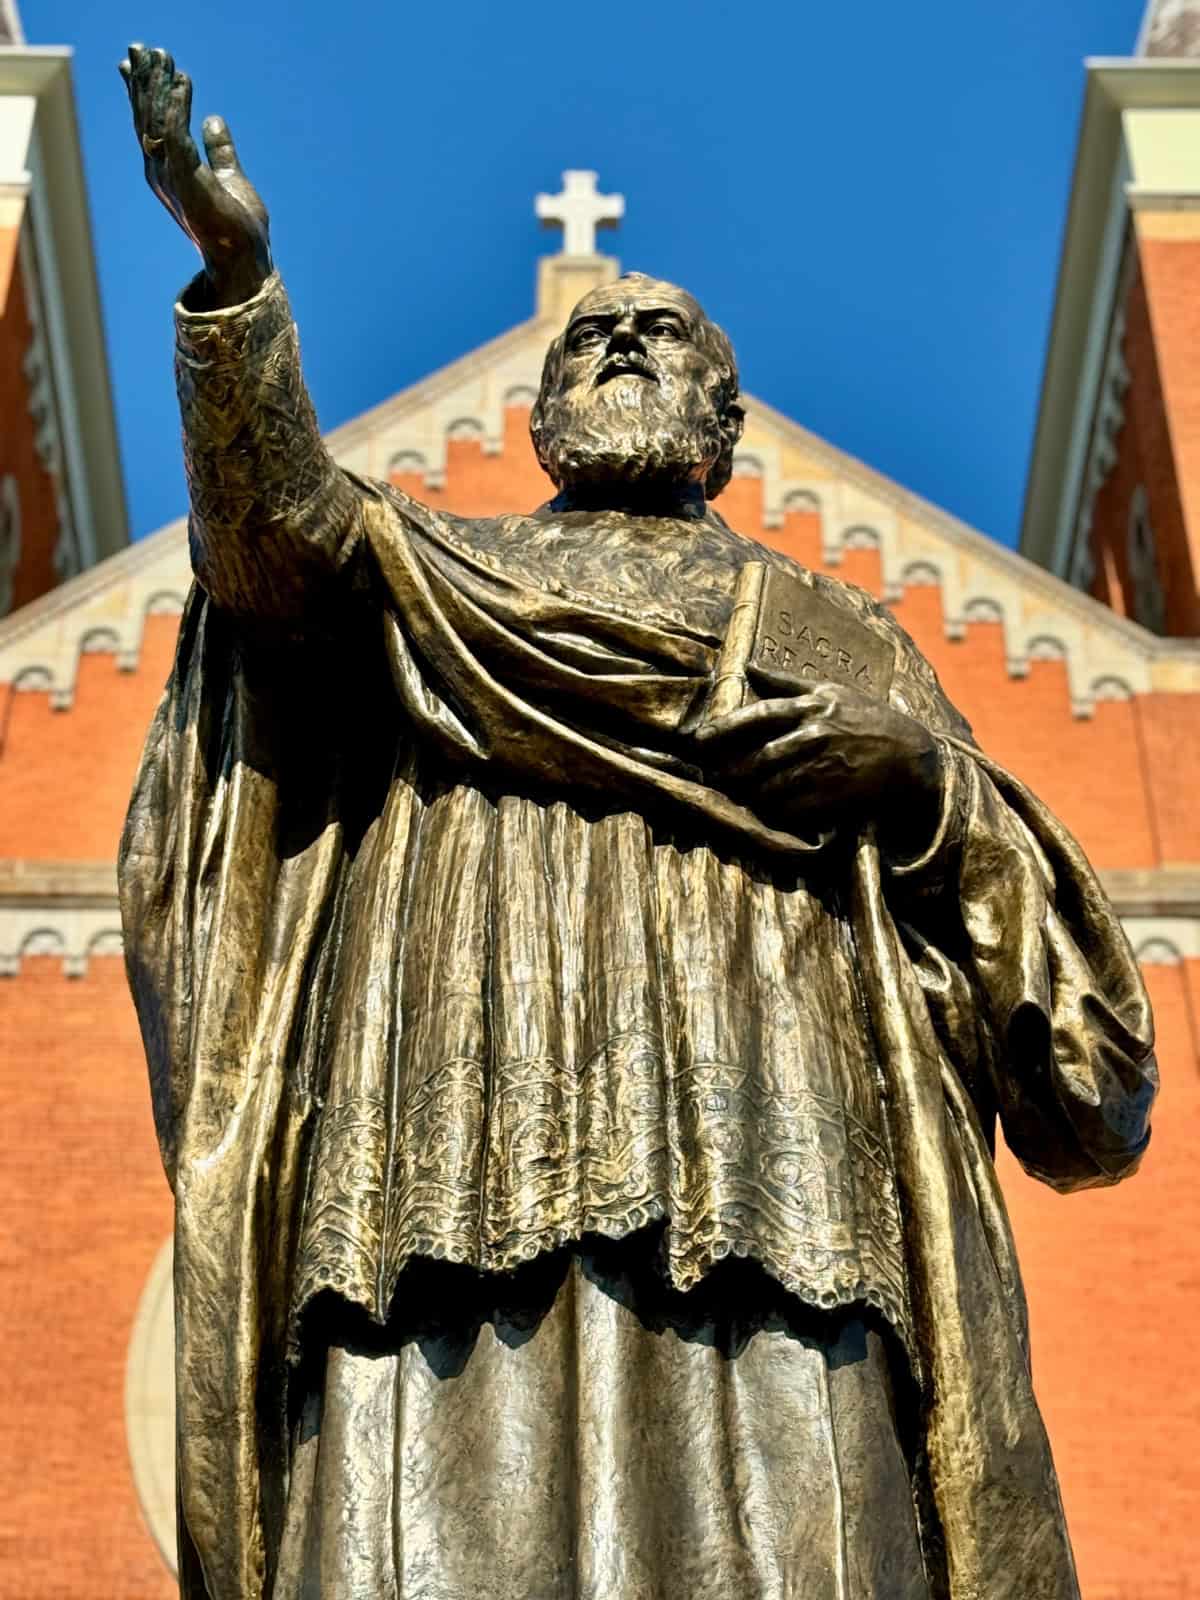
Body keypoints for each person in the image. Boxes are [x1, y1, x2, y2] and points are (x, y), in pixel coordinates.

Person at [117, 44, 1158, 1600]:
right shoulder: (431, 582)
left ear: (719, 412)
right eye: (590, 339)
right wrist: (240, 280)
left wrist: (926, 787)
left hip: (787, 1200)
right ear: (539, 417)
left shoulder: (841, 637)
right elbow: (273, 544)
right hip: (438, 1173)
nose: (615, 346)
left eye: (655, 336)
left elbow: (1085, 1078)